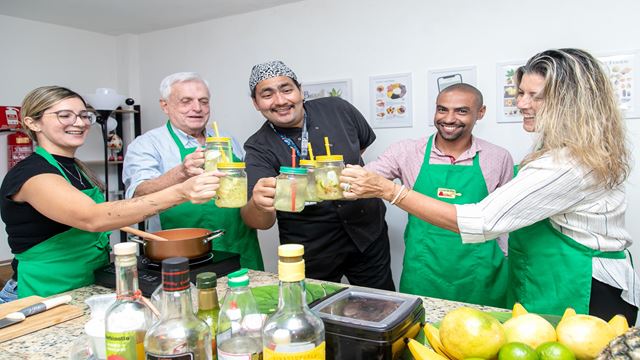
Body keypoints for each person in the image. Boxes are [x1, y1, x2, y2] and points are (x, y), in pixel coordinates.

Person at [340, 48, 640, 323]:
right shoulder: (566, 153)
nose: (521, 103)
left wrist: (391, 191)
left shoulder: (565, 165)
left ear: (571, 104)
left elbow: (482, 221)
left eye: (535, 96)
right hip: (544, 276)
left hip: (579, 285)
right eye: (521, 93)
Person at [0, 86, 220, 302]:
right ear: (32, 122)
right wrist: (181, 191)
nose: (79, 123)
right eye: (64, 115)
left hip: (83, 286)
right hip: (42, 292)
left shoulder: (77, 169)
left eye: (84, 115)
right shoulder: (31, 174)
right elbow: (93, 217)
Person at [241, 60, 394, 290]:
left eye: (286, 89)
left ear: (300, 91)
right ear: (256, 103)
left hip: (367, 232)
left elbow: (359, 146)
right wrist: (260, 203)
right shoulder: (257, 148)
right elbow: (259, 222)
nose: (281, 100)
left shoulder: (339, 109)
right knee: (317, 314)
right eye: (267, 94)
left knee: (382, 305)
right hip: (311, 248)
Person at [365, 83, 513, 307]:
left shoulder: (498, 157)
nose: (449, 118)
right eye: (442, 109)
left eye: (461, 111)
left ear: (480, 113)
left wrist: (503, 257)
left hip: (482, 273)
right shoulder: (406, 151)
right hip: (423, 270)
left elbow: (507, 219)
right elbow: (365, 179)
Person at [123, 72, 264, 270]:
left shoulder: (227, 140)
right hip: (182, 253)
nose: (197, 108)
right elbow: (138, 194)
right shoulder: (147, 145)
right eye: (186, 101)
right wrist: (180, 173)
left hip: (239, 245)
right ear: (165, 105)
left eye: (203, 101)